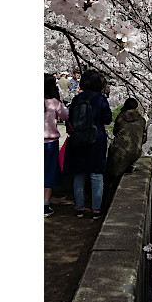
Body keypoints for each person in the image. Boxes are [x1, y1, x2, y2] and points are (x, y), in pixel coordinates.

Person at [62, 70, 112, 219]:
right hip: (96, 140)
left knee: (79, 175)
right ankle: (96, 210)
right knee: (96, 175)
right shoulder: (101, 99)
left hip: (78, 140)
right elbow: (107, 119)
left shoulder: (77, 99)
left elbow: (69, 119)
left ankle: (80, 209)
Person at [103, 98, 148, 212]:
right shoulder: (142, 120)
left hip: (119, 150)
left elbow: (115, 132)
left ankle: (104, 204)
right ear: (136, 108)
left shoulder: (120, 117)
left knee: (110, 176)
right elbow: (144, 138)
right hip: (135, 152)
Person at [44, 73, 68, 217]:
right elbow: (66, 116)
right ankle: (45, 205)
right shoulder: (54, 102)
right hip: (50, 142)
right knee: (48, 173)